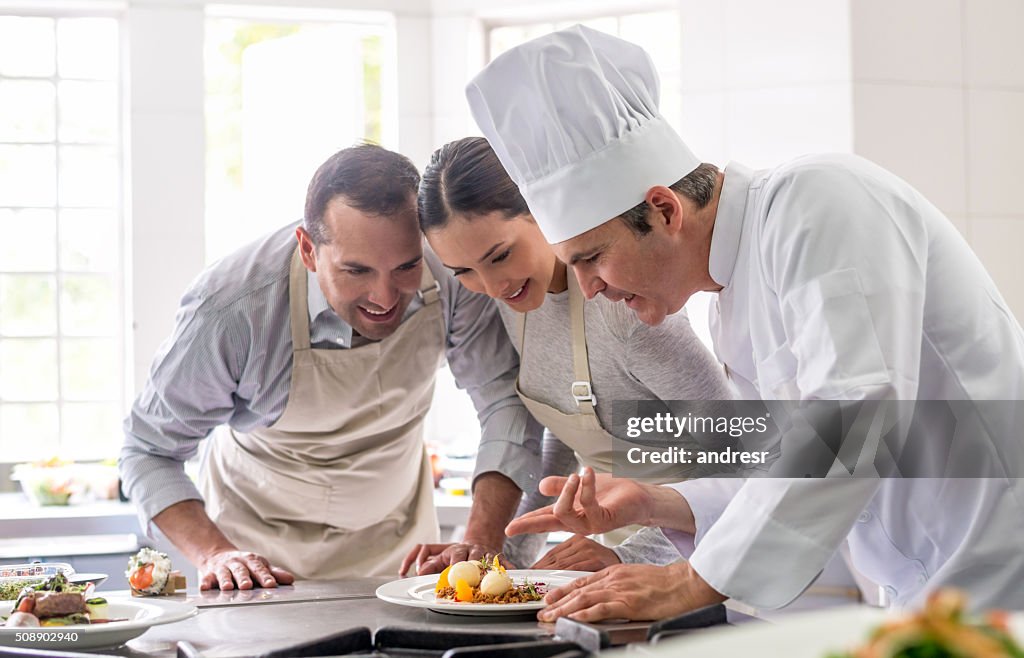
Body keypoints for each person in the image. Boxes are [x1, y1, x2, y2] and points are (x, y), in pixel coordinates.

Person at [467, 25, 1024, 621]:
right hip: (940, 596)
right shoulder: (729, 300)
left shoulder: (818, 200)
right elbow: (782, 462)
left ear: (663, 209)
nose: (589, 288)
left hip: (1007, 575)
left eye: (592, 257)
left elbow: (852, 417)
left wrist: (689, 581)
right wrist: (654, 501)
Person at [120, 144, 545, 590]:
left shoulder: (453, 270)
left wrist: (481, 539)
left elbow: (503, 402)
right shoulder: (232, 310)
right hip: (258, 566)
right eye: (356, 271)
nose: (383, 297)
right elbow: (147, 451)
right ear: (308, 250)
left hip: (401, 554)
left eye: (405, 267)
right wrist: (214, 552)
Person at [402, 136, 732, 574]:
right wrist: (501, 563)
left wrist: (629, 556)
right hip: (614, 557)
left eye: (500, 256)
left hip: (704, 553)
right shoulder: (514, 302)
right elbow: (563, 430)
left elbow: (739, 452)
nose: (492, 285)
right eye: (463, 271)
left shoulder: (625, 308)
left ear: (543, 213)